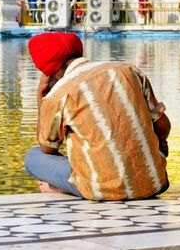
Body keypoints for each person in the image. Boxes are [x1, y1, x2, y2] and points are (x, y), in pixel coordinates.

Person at [23, 32, 171, 200]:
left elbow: (48, 147)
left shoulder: (58, 94)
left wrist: (41, 97)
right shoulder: (128, 70)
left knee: (33, 157)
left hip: (99, 191)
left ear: (49, 72)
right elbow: (163, 126)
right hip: (155, 183)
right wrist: (157, 150)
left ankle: (68, 188)